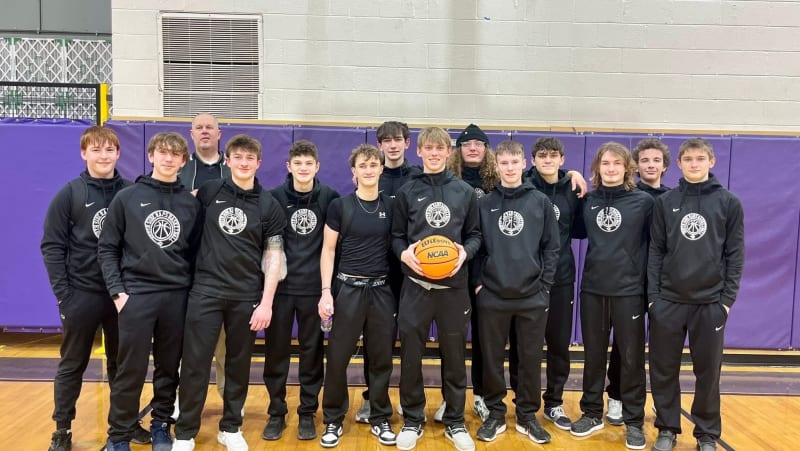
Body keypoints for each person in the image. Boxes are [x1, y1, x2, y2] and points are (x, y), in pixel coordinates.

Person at [172, 135, 286, 451]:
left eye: (250, 158)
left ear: (259, 163)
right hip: (205, 291)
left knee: (238, 365)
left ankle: (231, 428)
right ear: (228, 160)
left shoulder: (269, 205)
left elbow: (274, 255)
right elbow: (180, 212)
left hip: (245, 297)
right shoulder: (209, 192)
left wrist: (266, 303)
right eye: (238, 157)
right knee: (195, 364)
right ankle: (185, 433)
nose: (244, 163)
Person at [98, 132, 203, 451]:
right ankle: (119, 436)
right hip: (137, 295)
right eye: (163, 152)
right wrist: (118, 293)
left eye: (175, 154)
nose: (168, 159)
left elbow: (195, 254)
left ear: (183, 162)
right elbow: (107, 248)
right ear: (151, 156)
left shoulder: (190, 203)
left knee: (169, 368)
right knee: (130, 369)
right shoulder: (127, 198)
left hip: (176, 297)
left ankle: (160, 425)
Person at [40, 126, 133, 451]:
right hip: (81, 295)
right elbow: (52, 247)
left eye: (109, 150)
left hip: (121, 296)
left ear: (118, 153)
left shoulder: (131, 193)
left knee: (122, 365)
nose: (103, 156)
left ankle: (123, 426)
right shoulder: (69, 194)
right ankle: (62, 430)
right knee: (72, 364)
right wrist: (64, 295)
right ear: (84, 153)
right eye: (96, 149)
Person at [648, 138, 744, 451]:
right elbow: (656, 251)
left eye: (700, 158)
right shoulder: (666, 202)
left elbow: (735, 254)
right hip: (669, 302)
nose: (694, 164)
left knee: (708, 374)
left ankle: (706, 433)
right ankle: (667, 428)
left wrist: (726, 301)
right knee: (664, 370)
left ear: (711, 162)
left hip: (710, 303)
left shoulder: (729, 202)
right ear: (678, 164)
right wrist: (654, 299)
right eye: (688, 159)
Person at [392, 126, 481, 451]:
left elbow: (475, 235)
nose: (433, 153)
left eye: (439, 148)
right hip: (416, 287)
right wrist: (403, 253)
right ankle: (413, 419)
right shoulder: (407, 191)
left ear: (448, 152)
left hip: (453, 289)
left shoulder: (464, 191)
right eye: (428, 148)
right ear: (419, 151)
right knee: (411, 356)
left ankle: (455, 421)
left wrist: (464, 253)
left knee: (454, 358)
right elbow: (396, 236)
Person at [472, 140, 560, 445]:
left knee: (530, 359)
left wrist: (544, 285)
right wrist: (479, 284)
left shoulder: (540, 202)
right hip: (493, 294)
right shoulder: (484, 204)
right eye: (504, 163)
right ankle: (495, 413)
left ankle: (526, 415)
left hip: (532, 296)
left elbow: (551, 247)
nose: (509, 168)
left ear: (524, 164)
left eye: (514, 162)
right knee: (492, 358)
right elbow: (476, 245)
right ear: (496, 166)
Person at [571, 142, 652, 450]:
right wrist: (570, 175)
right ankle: (592, 413)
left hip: (629, 291)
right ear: (597, 168)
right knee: (593, 356)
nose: (611, 168)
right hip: (593, 289)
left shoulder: (643, 202)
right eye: (605, 163)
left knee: (631, 359)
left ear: (627, 168)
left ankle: (634, 421)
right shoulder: (588, 200)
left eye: (617, 163)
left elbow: (657, 246)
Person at [317, 145, 397, 448]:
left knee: (381, 359)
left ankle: (379, 416)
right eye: (362, 165)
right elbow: (328, 250)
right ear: (354, 171)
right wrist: (326, 292)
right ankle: (333, 419)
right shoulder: (340, 206)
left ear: (381, 169)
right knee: (338, 358)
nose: (368, 170)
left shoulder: (391, 206)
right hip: (347, 289)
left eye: (373, 165)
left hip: (381, 290)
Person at [262, 140, 339, 441]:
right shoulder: (273, 198)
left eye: (309, 163)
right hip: (280, 289)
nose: (303, 168)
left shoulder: (330, 198)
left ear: (317, 166)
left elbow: (333, 248)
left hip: (313, 290)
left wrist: (328, 290)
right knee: (276, 353)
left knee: (312, 353)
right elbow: (267, 246)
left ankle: (307, 412)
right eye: (298, 163)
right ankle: (276, 412)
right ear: (289, 166)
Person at [355, 121, 421, 424]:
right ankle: (373, 398)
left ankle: (410, 400)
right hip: (377, 268)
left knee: (410, 338)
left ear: (407, 143)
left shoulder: (418, 177)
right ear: (379, 145)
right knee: (376, 339)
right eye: (386, 140)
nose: (392, 145)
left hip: (412, 269)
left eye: (398, 140)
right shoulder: (372, 174)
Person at [519, 137, 585, 432]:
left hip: (561, 277)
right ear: (533, 160)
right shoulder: (523, 186)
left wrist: (574, 177)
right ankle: (524, 403)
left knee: (558, 343)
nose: (547, 160)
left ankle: (554, 402)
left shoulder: (573, 189)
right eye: (542, 155)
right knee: (524, 346)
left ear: (562, 159)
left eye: (553, 155)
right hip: (526, 278)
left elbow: (580, 230)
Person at [606, 137, 672, 426]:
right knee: (624, 347)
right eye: (645, 160)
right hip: (629, 282)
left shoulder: (672, 199)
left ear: (665, 166)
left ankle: (662, 400)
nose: (650, 165)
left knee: (662, 347)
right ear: (635, 166)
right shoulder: (626, 195)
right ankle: (617, 396)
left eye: (656, 160)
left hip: (663, 285)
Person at [177, 112, 231, 409]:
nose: (205, 131)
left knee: (225, 344)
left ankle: (229, 404)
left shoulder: (233, 167)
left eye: (210, 127)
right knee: (188, 342)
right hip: (185, 267)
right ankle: (180, 401)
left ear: (219, 134)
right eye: (199, 127)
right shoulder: (181, 168)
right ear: (192, 134)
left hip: (223, 269)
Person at [445, 124, 498, 422]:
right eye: (467, 144)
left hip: (487, 271)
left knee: (484, 338)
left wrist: (572, 174)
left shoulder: (499, 180)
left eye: (479, 144)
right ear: (459, 149)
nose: (473, 148)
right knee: (452, 337)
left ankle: (481, 395)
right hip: (452, 266)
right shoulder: (447, 180)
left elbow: (539, 175)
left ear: (487, 149)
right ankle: (448, 398)